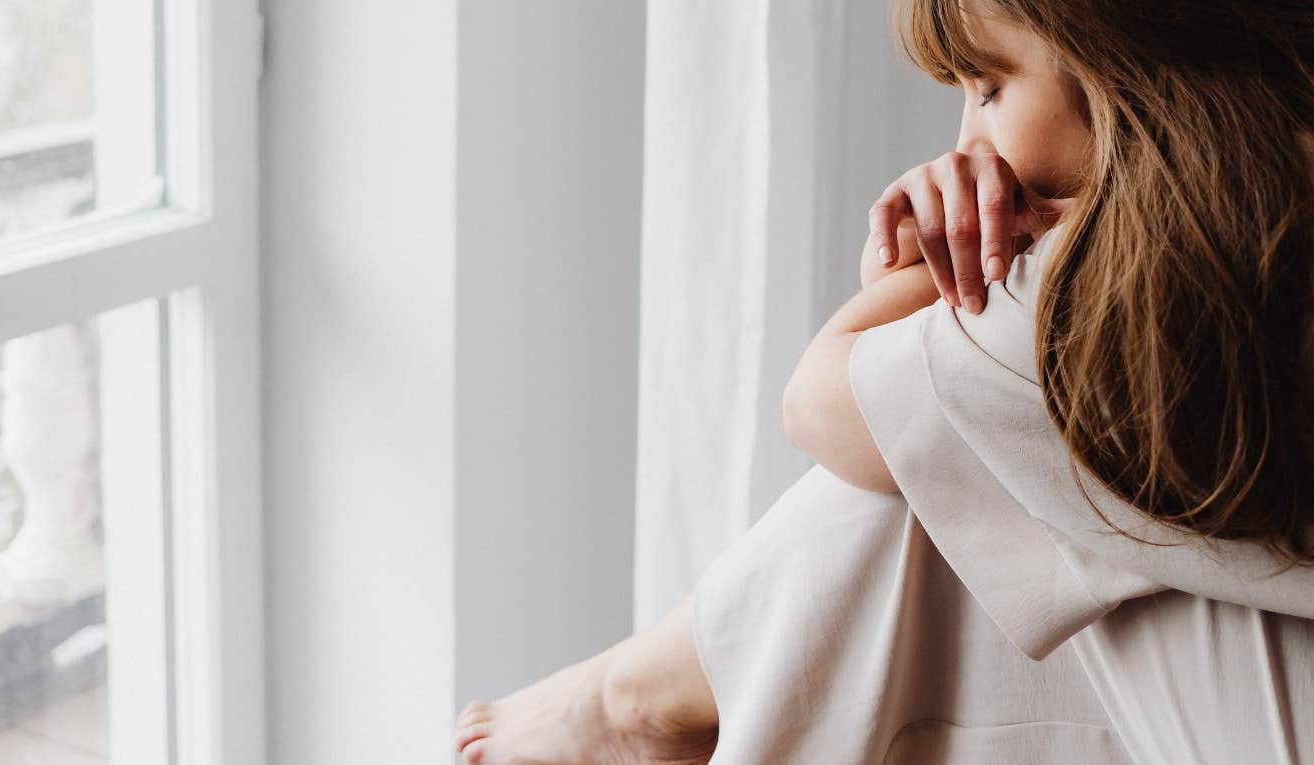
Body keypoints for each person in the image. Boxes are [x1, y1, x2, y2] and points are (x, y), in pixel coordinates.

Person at [453, 0, 1314, 762]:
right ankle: (642, 697)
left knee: (927, 493)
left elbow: (822, 403)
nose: (966, 146)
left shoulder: (1147, 297)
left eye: (987, 88)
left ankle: (644, 698)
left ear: (1129, 66)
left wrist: (927, 275)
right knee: (981, 488)